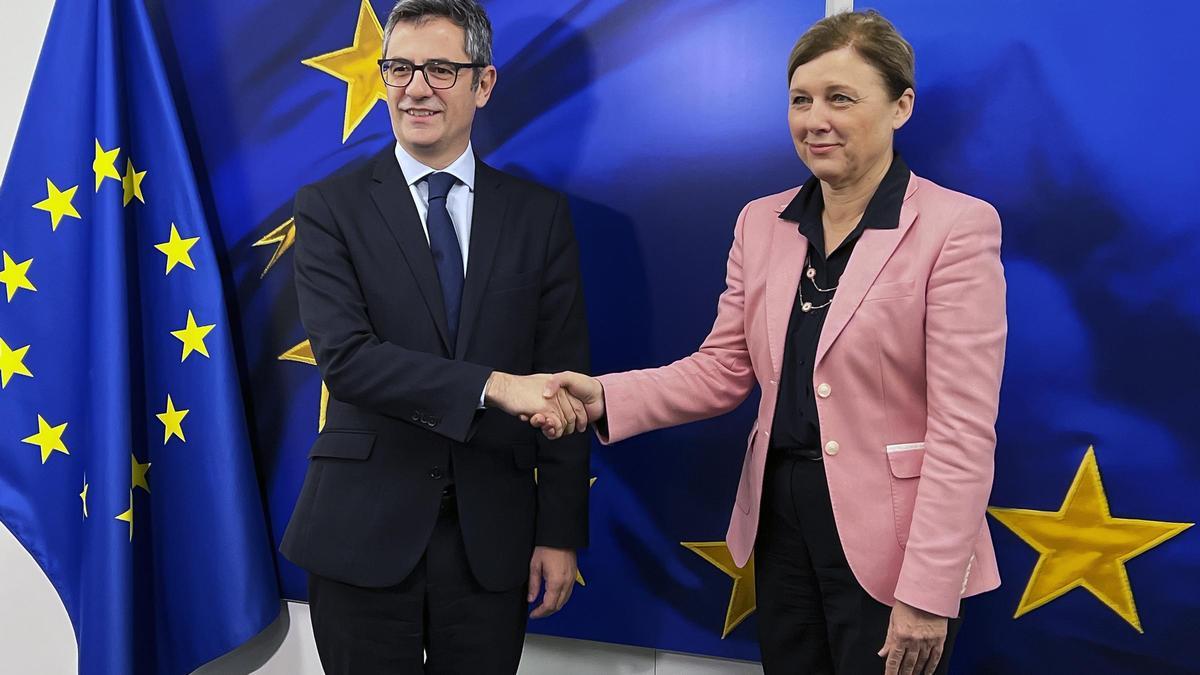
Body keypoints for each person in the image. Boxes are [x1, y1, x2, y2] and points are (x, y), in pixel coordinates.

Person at [536, 10, 1006, 675]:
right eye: (800, 100)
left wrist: (929, 593)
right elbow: (723, 369)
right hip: (780, 528)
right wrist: (602, 396)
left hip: (899, 548)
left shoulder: (958, 227)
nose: (815, 119)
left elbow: (964, 429)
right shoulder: (761, 222)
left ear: (901, 105)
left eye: (841, 98)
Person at [279, 1, 592, 672]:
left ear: (484, 84)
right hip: (361, 535)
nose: (416, 88)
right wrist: (492, 385)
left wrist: (560, 530)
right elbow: (348, 361)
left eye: (441, 69)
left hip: (493, 539)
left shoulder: (539, 216)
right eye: (399, 68)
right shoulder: (329, 207)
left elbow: (565, 378)